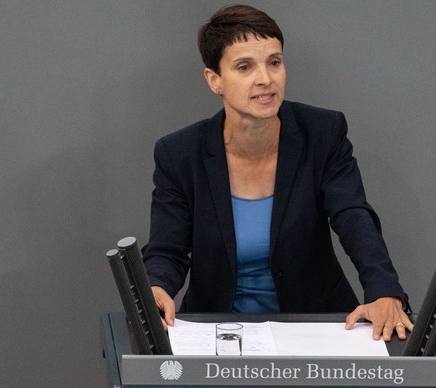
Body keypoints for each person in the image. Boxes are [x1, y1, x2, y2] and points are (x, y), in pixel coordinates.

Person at [143, 4, 413, 342]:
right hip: (217, 330)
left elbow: (353, 216)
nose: (266, 79)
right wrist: (155, 287)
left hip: (314, 325)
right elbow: (167, 249)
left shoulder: (323, 133)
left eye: (275, 62)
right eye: (244, 67)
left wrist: (383, 289)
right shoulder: (179, 154)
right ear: (215, 80)